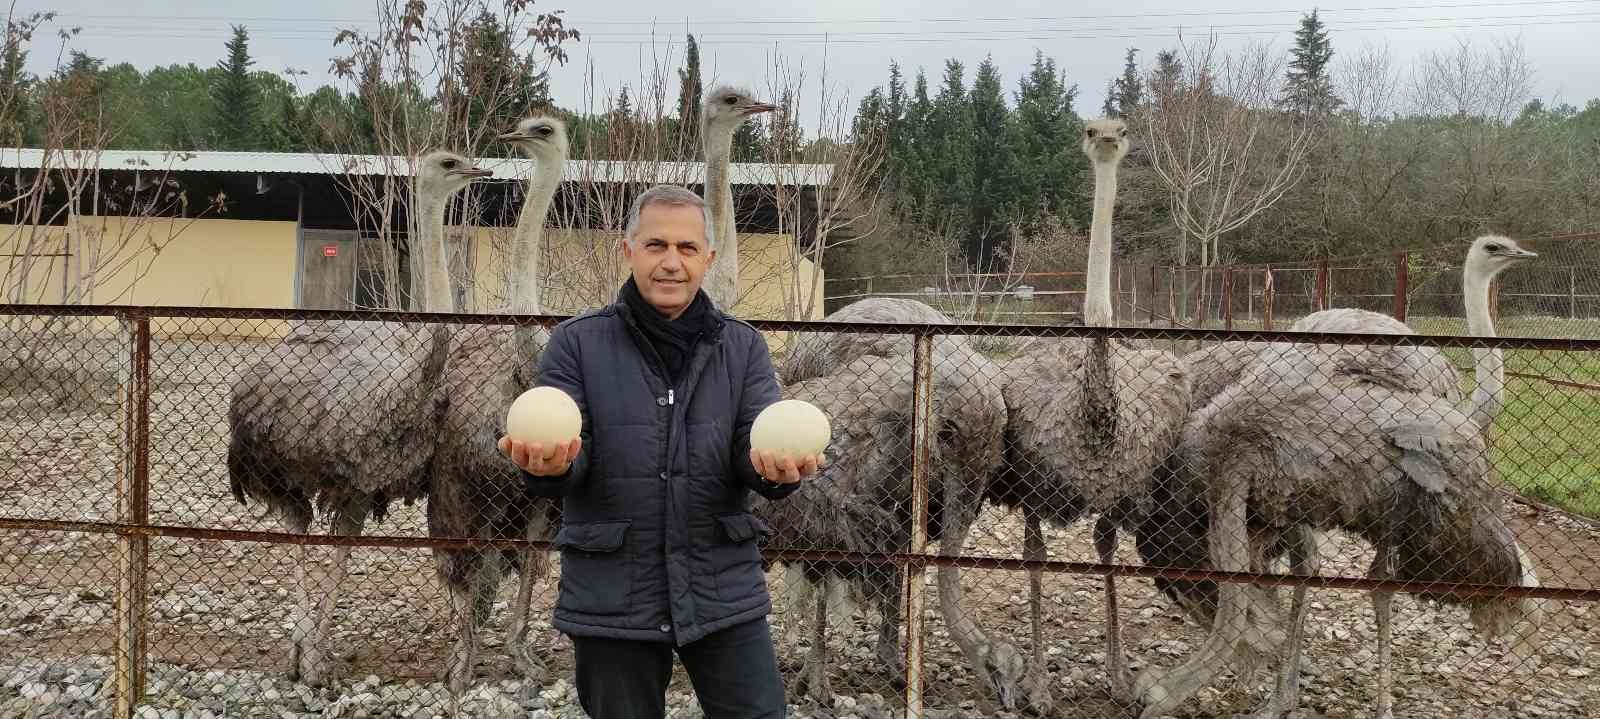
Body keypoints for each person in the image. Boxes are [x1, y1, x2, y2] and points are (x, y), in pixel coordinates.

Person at [497, 183, 820, 718]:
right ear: (628, 251)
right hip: (614, 593)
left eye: (687, 249)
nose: (671, 262)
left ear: (707, 259)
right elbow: (570, 452)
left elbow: (754, 441)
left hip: (721, 587)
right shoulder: (576, 344)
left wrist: (775, 470)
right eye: (656, 246)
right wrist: (551, 468)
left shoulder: (742, 347)